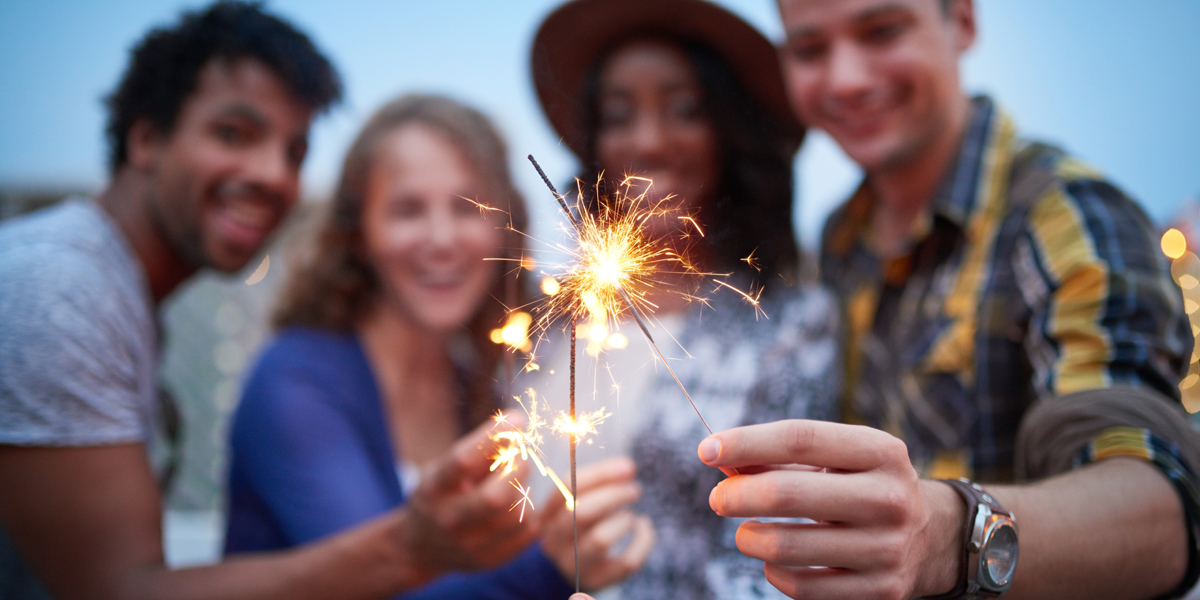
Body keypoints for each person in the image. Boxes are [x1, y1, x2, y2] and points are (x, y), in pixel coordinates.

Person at [0, 4, 546, 599]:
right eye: (233, 133)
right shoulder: (60, 290)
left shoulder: (473, 376)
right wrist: (559, 556)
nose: (273, 175)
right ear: (145, 137)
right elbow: (117, 591)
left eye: (294, 151)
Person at [698, 0, 1200, 598]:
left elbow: (1164, 515)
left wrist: (947, 534)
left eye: (882, 31)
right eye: (810, 49)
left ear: (961, 20)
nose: (847, 79)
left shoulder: (1068, 214)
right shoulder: (839, 238)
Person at [223, 94, 653, 598]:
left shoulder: (479, 379)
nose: (442, 238)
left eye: (468, 208)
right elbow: (390, 588)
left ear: (503, 226)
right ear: (359, 231)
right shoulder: (295, 385)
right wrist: (557, 562)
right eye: (408, 210)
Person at [529, 0, 842, 597]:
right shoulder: (550, 321)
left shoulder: (788, 328)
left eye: (686, 109)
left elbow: (771, 566)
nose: (648, 141)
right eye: (618, 115)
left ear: (730, 130)